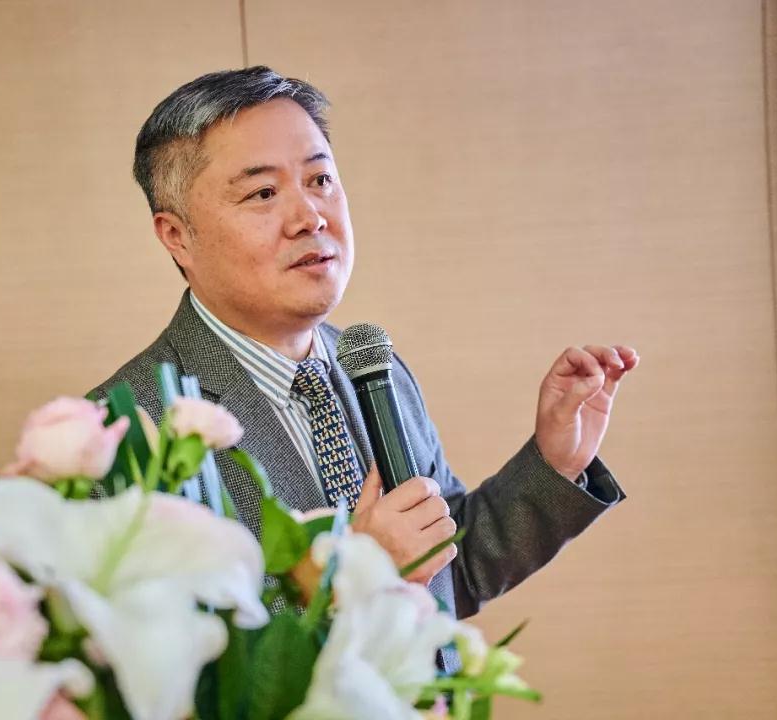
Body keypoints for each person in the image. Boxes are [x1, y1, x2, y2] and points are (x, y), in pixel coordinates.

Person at [88, 66, 638, 637]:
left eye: (320, 179)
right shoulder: (123, 433)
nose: (310, 216)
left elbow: (448, 570)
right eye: (263, 193)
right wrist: (351, 578)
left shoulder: (372, 365)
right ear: (177, 235)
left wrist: (554, 462)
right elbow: (166, 659)